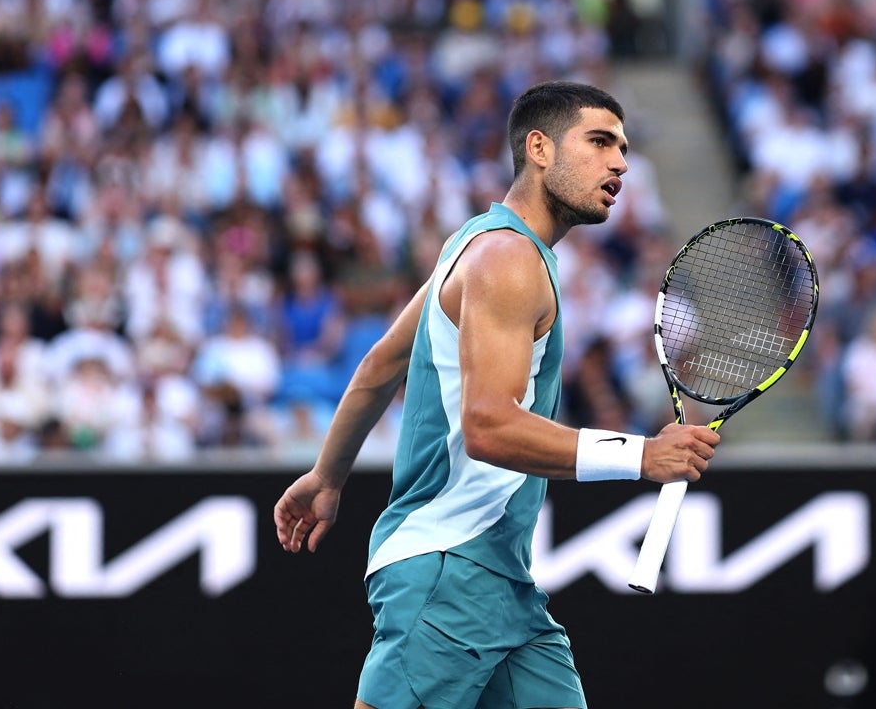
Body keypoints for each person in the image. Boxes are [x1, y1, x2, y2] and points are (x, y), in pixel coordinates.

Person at [273, 81, 721, 709]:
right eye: (598, 141)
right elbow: (488, 427)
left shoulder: (477, 243)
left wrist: (327, 474)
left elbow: (382, 363)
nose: (620, 161)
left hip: (504, 587)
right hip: (448, 571)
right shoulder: (507, 260)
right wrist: (641, 455)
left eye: (621, 146)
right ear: (539, 148)